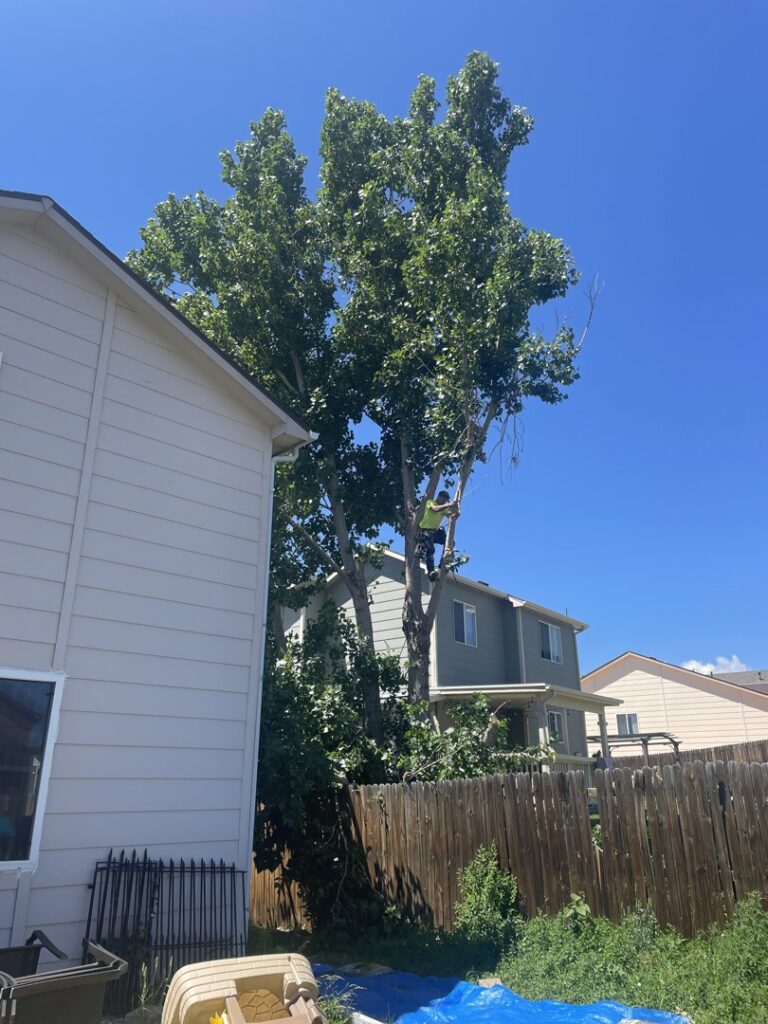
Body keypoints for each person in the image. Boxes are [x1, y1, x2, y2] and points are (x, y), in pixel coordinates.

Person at [418, 490, 459, 581]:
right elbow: (435, 509)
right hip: (425, 530)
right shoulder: (430, 502)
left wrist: (456, 511)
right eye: (444, 498)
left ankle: (443, 561)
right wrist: (449, 505)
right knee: (431, 549)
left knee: (450, 542)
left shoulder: (444, 507)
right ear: (440, 496)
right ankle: (431, 571)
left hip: (435, 532)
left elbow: (451, 516)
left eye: (446, 499)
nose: (445, 501)